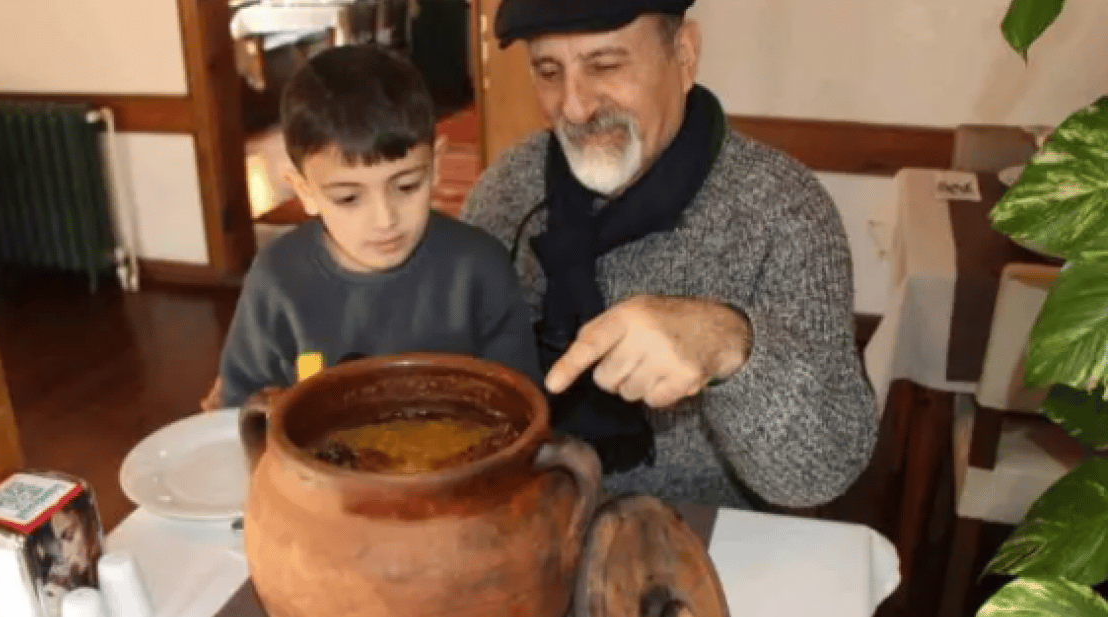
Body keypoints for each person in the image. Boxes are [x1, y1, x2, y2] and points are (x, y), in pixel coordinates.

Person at [460, 0, 878, 509]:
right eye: (549, 72)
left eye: (605, 66)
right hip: (528, 525)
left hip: (710, 542)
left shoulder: (783, 210)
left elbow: (824, 469)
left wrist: (729, 344)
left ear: (684, 54)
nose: (573, 107)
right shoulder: (507, 191)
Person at [213, 45, 540, 409]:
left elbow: (520, 404)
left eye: (406, 187)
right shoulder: (277, 280)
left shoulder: (480, 268)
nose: (385, 219)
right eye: (348, 199)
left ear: (435, 166)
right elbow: (240, 411)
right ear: (304, 191)